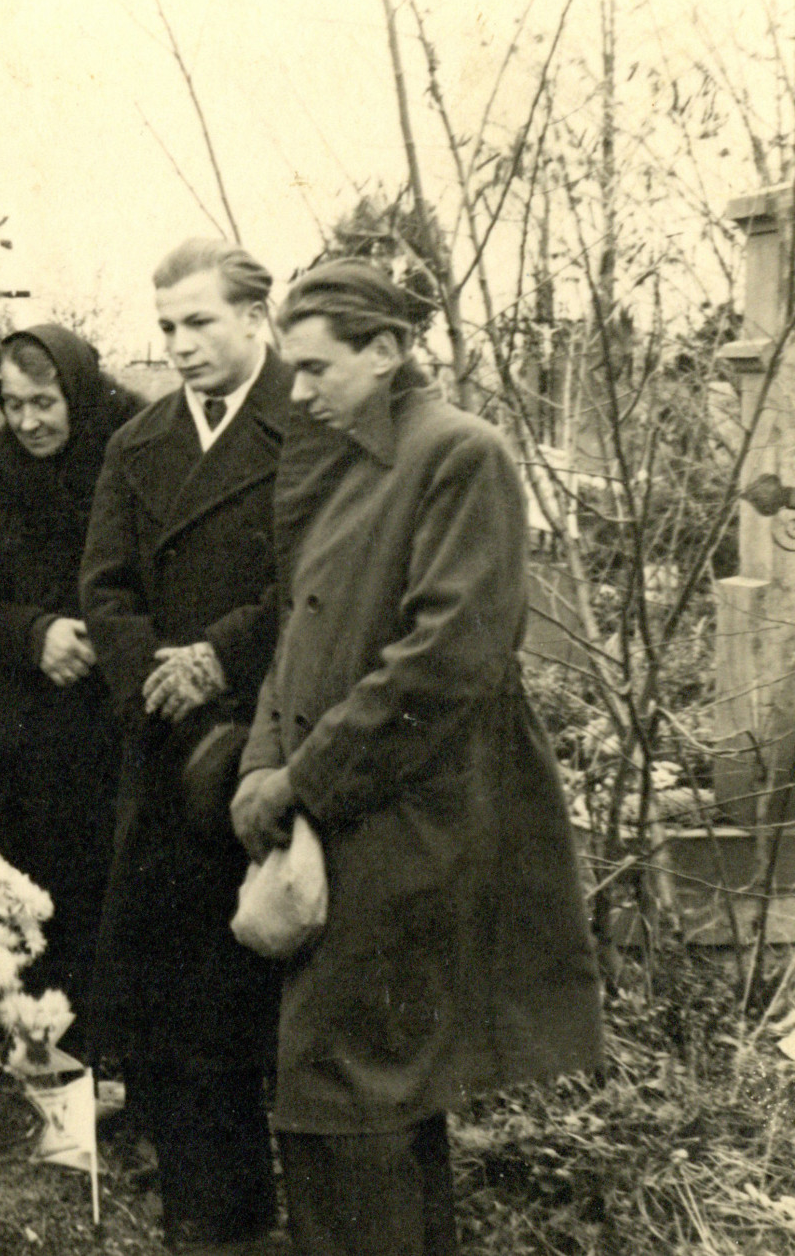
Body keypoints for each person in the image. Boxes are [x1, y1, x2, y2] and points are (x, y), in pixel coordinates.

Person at [233, 260, 604, 1256]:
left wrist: (299, 782)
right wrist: (258, 775)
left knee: (353, 1106)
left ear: (389, 351)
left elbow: (446, 663)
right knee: (357, 1110)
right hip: (337, 819)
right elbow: (297, 641)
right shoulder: (349, 460)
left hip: (409, 833)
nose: (297, 390)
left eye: (315, 368)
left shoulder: (459, 455)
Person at [81, 239, 292, 1252]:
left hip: (264, 738)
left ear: (258, 316)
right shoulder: (139, 441)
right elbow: (106, 584)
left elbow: (317, 584)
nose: (179, 345)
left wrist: (220, 657)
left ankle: (245, 1211)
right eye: (166, 327)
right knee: (165, 988)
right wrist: (157, 672)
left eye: (199, 321)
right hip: (165, 746)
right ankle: (197, 1208)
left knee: (248, 987)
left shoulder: (310, 427)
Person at [0, 324, 137, 1031]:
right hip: (37, 720)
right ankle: (48, 1049)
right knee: (35, 885)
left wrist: (109, 636)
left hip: (127, 711)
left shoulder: (138, 446)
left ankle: (125, 1063)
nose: (27, 421)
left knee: (126, 885)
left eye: (44, 402)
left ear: (77, 393)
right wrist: (34, 633)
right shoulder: (0, 468)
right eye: (13, 403)